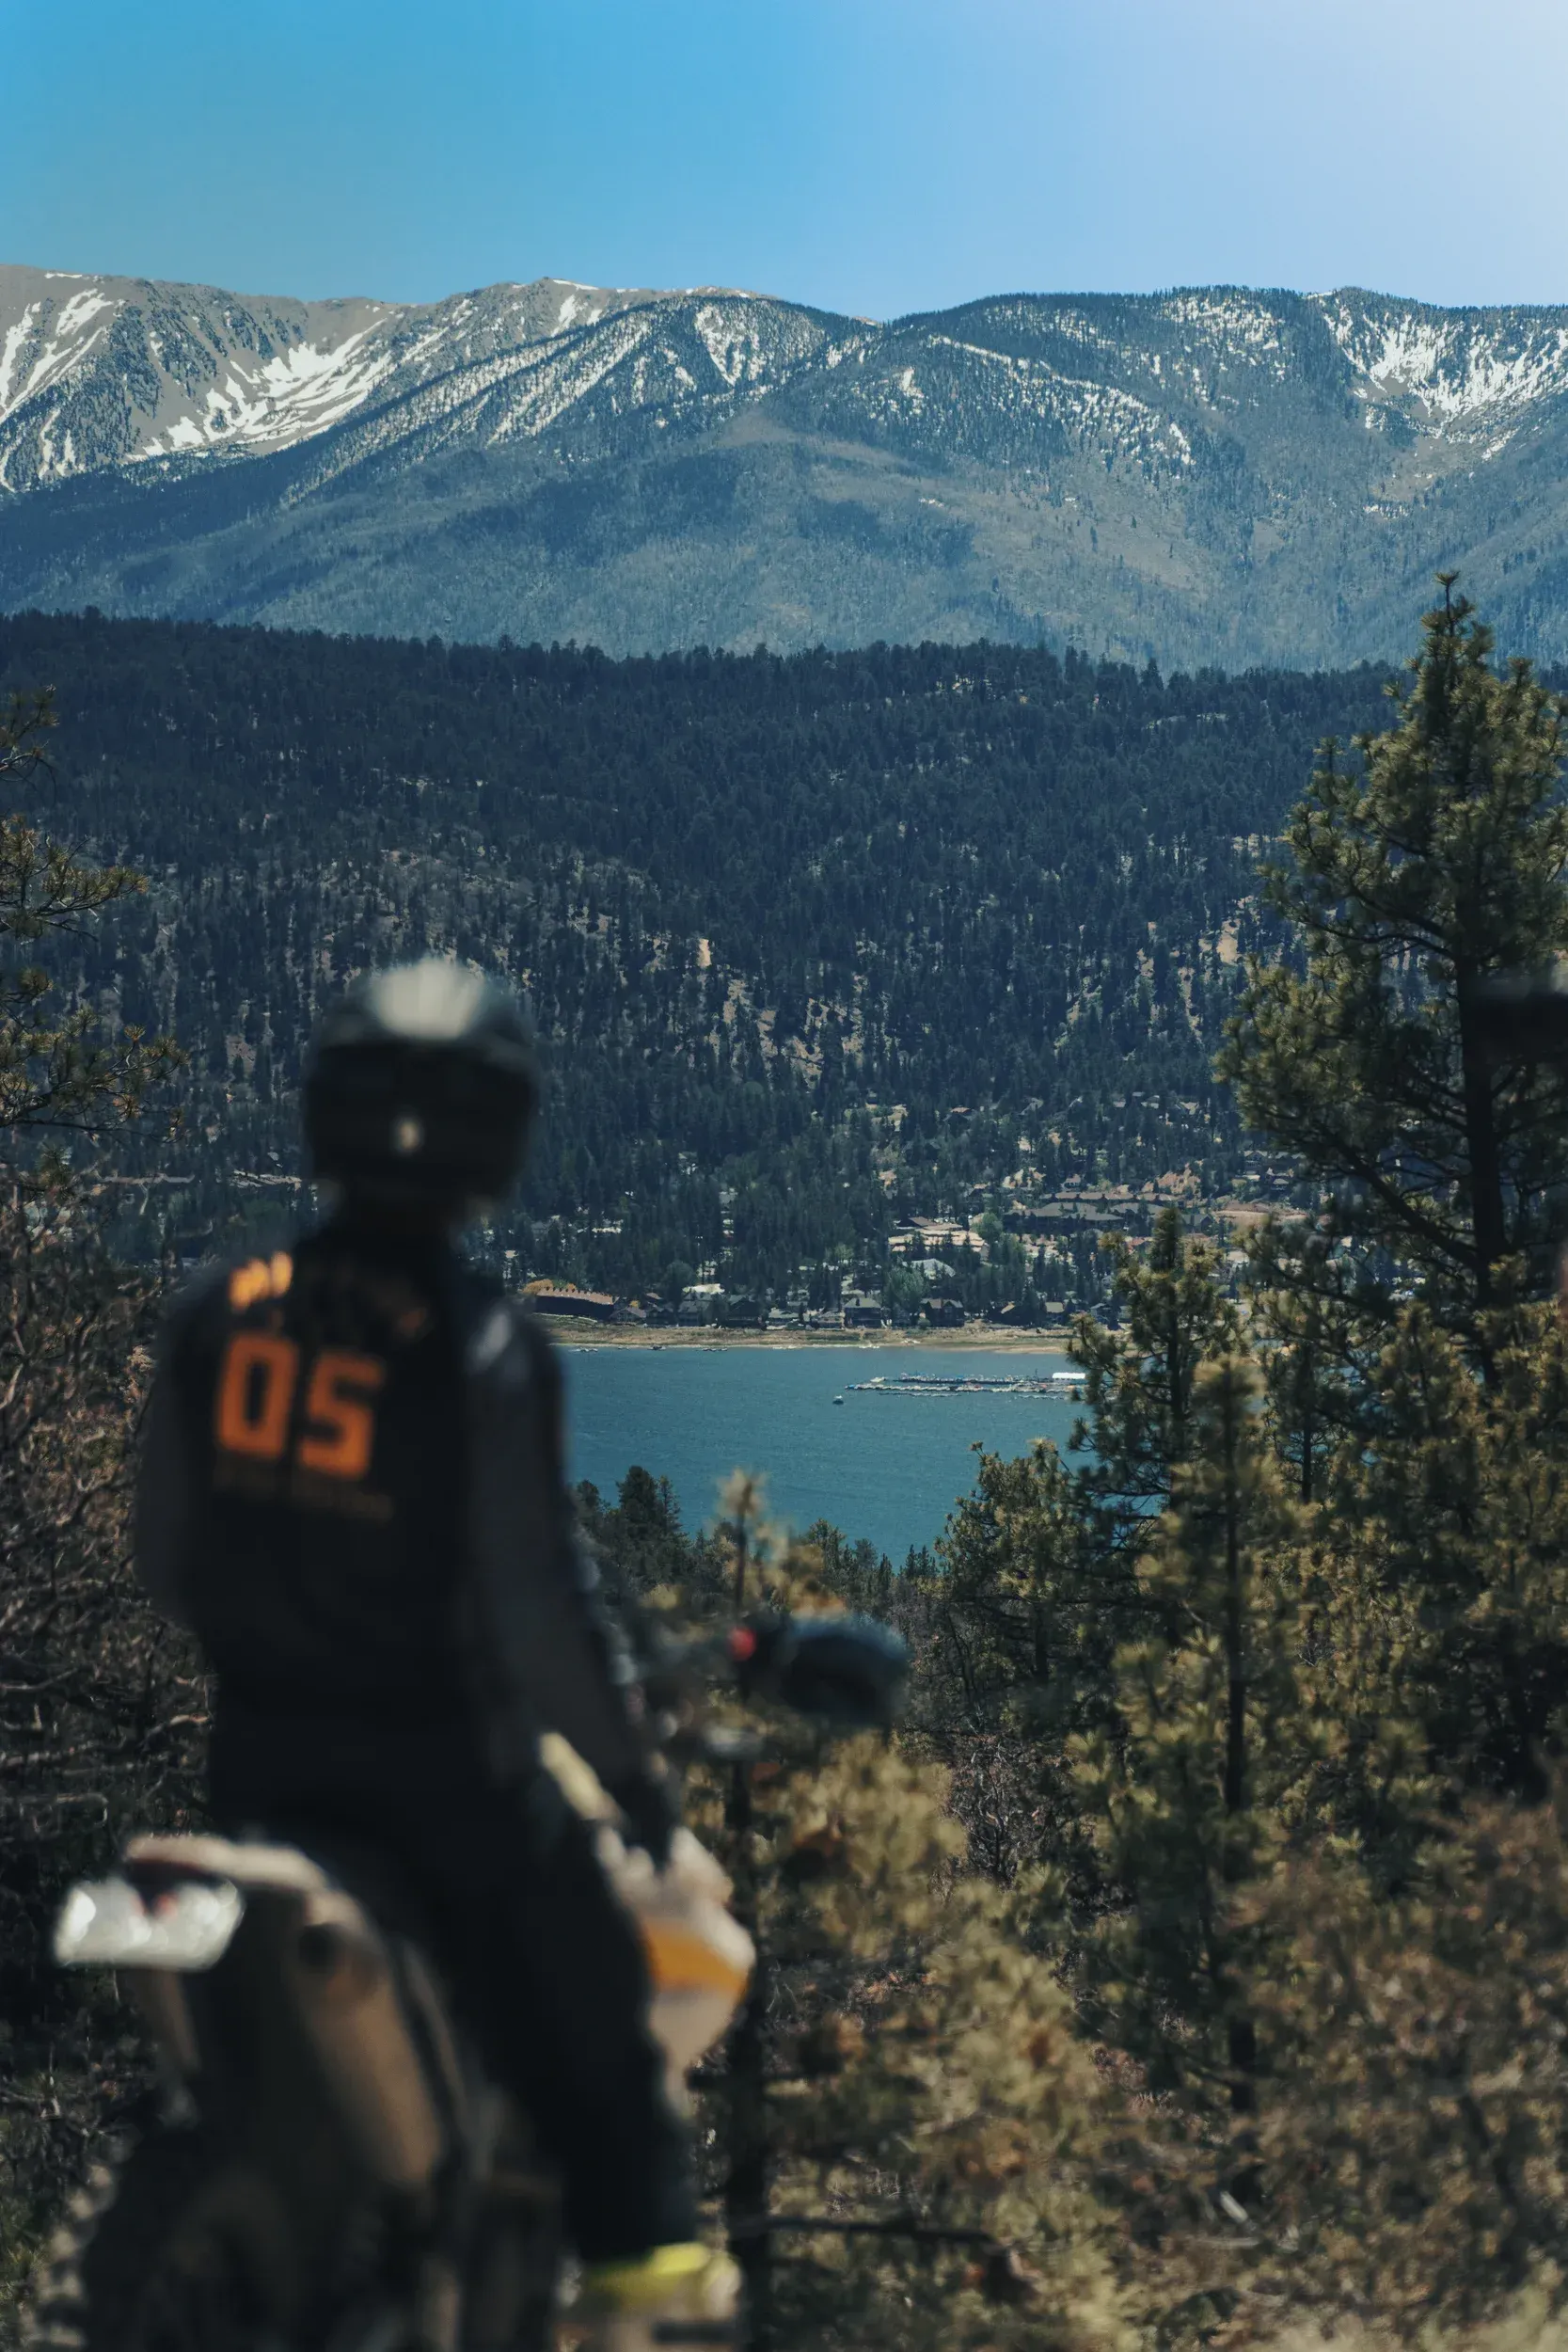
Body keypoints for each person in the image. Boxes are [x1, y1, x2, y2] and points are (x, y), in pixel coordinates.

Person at [134, 958, 737, 2348]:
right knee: (607, 2053)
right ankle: (641, 2298)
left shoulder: (219, 1309)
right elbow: (538, 1617)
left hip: (260, 1771)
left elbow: (166, 1555)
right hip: (450, 1789)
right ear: (499, 1138)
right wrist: (639, 1793)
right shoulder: (482, 1346)